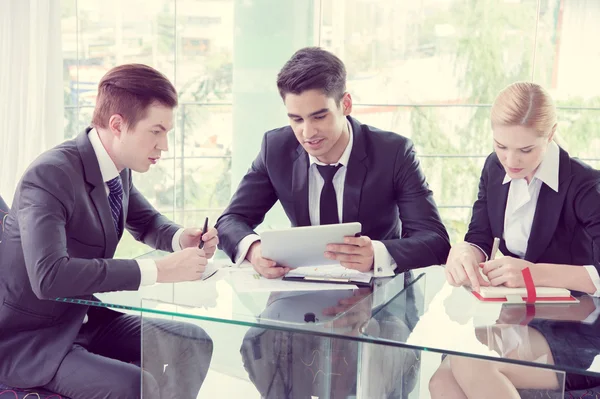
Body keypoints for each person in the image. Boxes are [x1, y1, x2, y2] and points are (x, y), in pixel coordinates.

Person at [0, 64, 217, 399]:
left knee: (193, 342)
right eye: (156, 131)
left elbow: (144, 221)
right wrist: (160, 270)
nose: (164, 146)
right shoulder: (49, 176)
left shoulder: (116, 167)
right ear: (118, 125)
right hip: (32, 338)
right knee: (137, 385)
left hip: (83, 317)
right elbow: (49, 277)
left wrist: (180, 238)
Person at [215, 47, 450, 278]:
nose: (307, 132)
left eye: (319, 116)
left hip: (380, 297)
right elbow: (230, 221)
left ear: (345, 104)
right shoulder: (275, 148)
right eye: (296, 119)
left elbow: (435, 241)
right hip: (301, 294)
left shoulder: (394, 152)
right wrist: (255, 250)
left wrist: (378, 253)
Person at [431, 81, 600, 397]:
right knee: (439, 380)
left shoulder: (585, 185)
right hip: (521, 317)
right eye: (501, 145)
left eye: (525, 149)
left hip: (581, 327)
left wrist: (532, 273)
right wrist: (465, 252)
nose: (510, 160)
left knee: (469, 363)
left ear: (550, 135)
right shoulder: (494, 169)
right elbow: (479, 235)